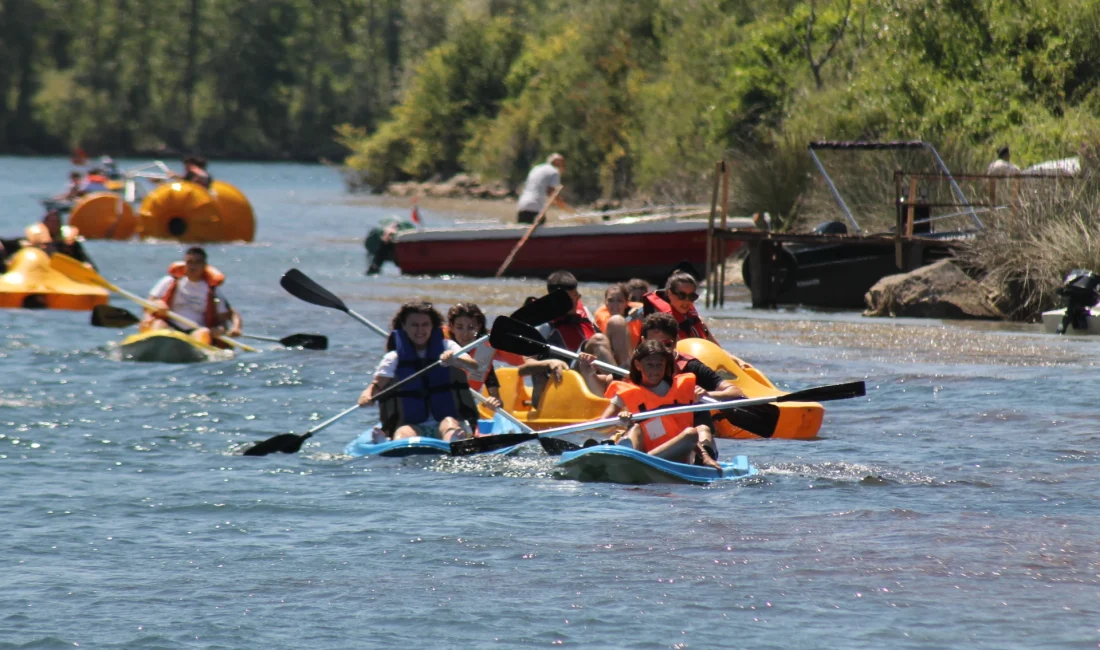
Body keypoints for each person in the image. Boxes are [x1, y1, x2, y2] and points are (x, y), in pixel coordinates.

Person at [358, 301, 480, 442]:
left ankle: (453, 444)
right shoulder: (394, 357)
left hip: (445, 421)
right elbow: (377, 385)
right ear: (404, 326)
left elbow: (473, 366)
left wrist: (455, 361)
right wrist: (366, 395)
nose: (420, 330)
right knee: (403, 433)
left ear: (433, 326)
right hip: (413, 424)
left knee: (450, 425)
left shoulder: (448, 346)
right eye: (414, 325)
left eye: (425, 324)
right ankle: (393, 442)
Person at [599, 340, 719, 468]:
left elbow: (723, 398)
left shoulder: (682, 388)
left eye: (659, 365)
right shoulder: (626, 392)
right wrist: (620, 420)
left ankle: (639, 462)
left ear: (665, 365)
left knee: (691, 433)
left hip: (676, 456)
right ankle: (634, 458)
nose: (655, 370)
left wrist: (706, 394)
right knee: (634, 428)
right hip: (644, 452)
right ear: (638, 365)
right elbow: (601, 425)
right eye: (650, 365)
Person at [142, 247, 242, 346]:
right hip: (170, 326)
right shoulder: (169, 281)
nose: (193, 266)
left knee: (202, 333)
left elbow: (228, 316)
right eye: (189, 262)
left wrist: (227, 328)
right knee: (158, 323)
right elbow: (148, 304)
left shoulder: (212, 290)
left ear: (204, 266)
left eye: (197, 263)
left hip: (196, 330)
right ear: (185, 264)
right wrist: (156, 304)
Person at [641, 271, 718, 343]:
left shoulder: (696, 319)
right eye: (681, 295)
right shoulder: (658, 324)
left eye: (691, 296)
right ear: (669, 293)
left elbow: (718, 349)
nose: (686, 301)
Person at [22, 209, 96, 268]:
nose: (54, 224)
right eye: (51, 222)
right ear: (45, 223)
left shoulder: (70, 242)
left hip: (67, 270)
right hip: (44, 269)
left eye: (57, 221)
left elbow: (82, 257)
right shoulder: (36, 242)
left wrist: (87, 265)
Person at [593, 283, 643, 366]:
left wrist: (644, 320)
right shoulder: (600, 317)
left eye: (619, 301)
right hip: (609, 359)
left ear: (627, 303)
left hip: (634, 358)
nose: (615, 305)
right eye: (610, 300)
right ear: (605, 302)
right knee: (616, 322)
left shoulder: (638, 316)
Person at [516, 153, 567, 224]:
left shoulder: (536, 168)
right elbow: (551, 193)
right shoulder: (554, 172)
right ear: (558, 164)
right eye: (563, 164)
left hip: (522, 205)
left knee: (522, 230)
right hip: (535, 206)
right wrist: (561, 204)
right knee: (538, 232)